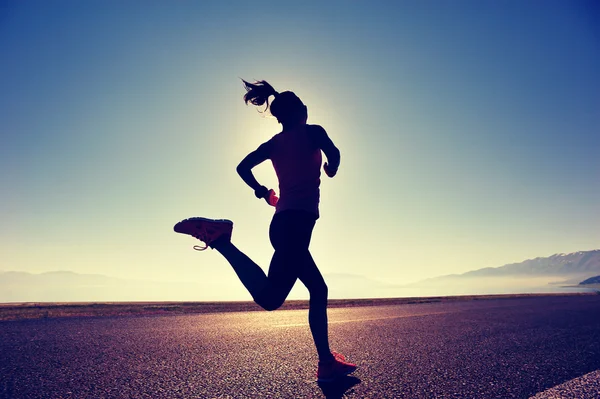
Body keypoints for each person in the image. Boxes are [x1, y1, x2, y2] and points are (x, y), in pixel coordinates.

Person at [174, 80, 357, 382]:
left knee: (309, 290)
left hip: (284, 225)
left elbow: (243, 167)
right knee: (278, 297)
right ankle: (222, 241)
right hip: (294, 227)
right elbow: (334, 154)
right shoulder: (314, 132)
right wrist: (330, 168)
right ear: (302, 111)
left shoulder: (274, 143)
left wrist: (262, 191)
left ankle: (326, 362)